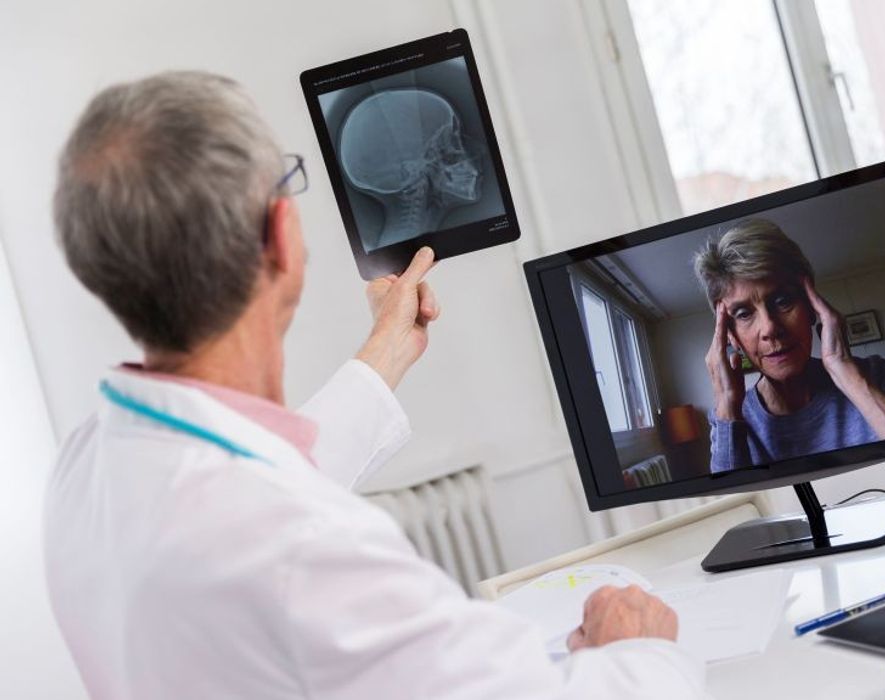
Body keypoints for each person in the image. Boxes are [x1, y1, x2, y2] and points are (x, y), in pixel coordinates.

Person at [44, 71, 704, 698]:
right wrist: (639, 652)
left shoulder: (88, 464)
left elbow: (255, 483)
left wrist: (387, 349)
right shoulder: (307, 550)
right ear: (281, 232)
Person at [693, 218, 885, 473]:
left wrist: (845, 372)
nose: (769, 328)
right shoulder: (728, 418)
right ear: (731, 336)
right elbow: (738, 506)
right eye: (744, 314)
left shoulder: (878, 375)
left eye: (782, 300)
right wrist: (727, 405)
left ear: (811, 307)